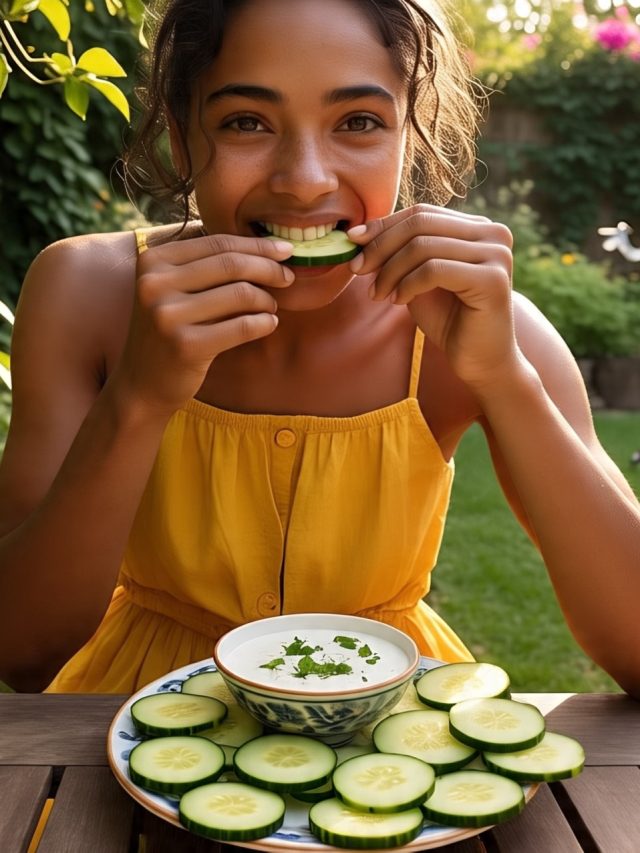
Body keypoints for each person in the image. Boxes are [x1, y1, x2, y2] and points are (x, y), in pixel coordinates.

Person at [0, 0, 638, 698]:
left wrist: (505, 379)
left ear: (407, 139)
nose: (304, 179)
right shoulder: (85, 295)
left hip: (387, 742)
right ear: (182, 138)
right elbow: (22, 651)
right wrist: (138, 396)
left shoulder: (482, 327)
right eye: (247, 121)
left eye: (359, 122)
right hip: (131, 727)